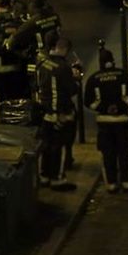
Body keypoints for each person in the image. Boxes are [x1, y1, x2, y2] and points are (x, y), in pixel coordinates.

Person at [85, 46, 128, 193]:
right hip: (122, 121)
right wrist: (120, 106)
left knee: (108, 154)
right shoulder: (123, 75)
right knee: (125, 152)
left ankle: (111, 183)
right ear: (113, 60)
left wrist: (103, 107)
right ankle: (127, 181)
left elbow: (88, 101)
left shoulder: (94, 79)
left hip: (104, 122)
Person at [37, 35, 79, 190]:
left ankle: (44, 175)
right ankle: (58, 178)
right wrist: (76, 77)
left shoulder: (43, 63)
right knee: (60, 146)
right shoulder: (63, 67)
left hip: (45, 111)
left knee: (46, 145)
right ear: (64, 49)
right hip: (60, 112)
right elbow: (71, 90)